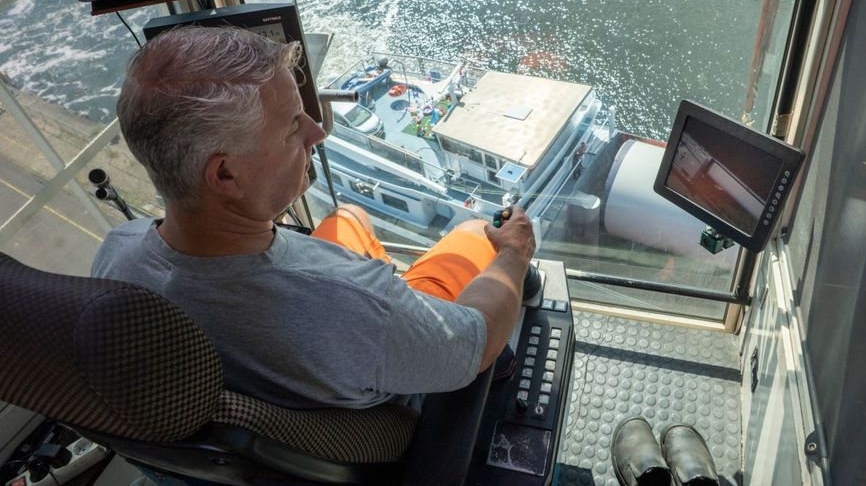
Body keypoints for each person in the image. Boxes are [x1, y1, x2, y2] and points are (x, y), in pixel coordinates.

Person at [92, 26, 536, 412]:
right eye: (291, 126)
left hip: (323, 333)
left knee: (349, 214)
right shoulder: (355, 304)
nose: (317, 131)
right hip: (378, 346)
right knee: (474, 231)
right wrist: (514, 253)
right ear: (226, 174)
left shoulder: (118, 253)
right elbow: (476, 345)